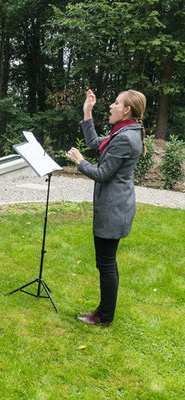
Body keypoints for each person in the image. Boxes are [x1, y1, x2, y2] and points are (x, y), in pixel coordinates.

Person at [67, 89, 146, 327]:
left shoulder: (124, 137)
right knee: (107, 263)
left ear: (127, 110)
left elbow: (102, 174)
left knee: (106, 264)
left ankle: (104, 317)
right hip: (116, 206)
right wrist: (87, 111)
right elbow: (94, 142)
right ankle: (103, 312)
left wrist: (80, 162)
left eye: (115, 103)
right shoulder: (123, 131)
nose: (111, 106)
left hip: (114, 209)